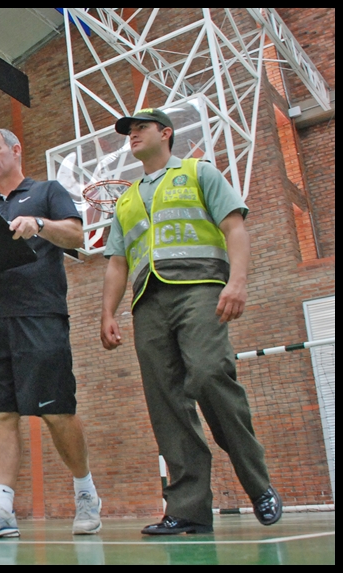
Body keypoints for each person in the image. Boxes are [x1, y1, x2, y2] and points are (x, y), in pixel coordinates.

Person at [100, 108, 282, 534]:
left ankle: (258, 485)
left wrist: (237, 282)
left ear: (166, 133)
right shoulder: (125, 200)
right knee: (165, 403)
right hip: (148, 302)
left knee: (208, 373)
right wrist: (107, 312)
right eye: (128, 131)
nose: (132, 135)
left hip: (199, 288)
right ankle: (188, 509)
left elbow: (234, 228)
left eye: (140, 128)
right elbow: (116, 263)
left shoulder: (199, 173)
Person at [0, 128, 102, 538]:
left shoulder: (47, 191)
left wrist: (38, 224)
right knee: (1, 413)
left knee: (56, 411)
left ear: (16, 150)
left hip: (40, 315)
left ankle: (86, 493)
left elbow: (76, 235)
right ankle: (2, 509)